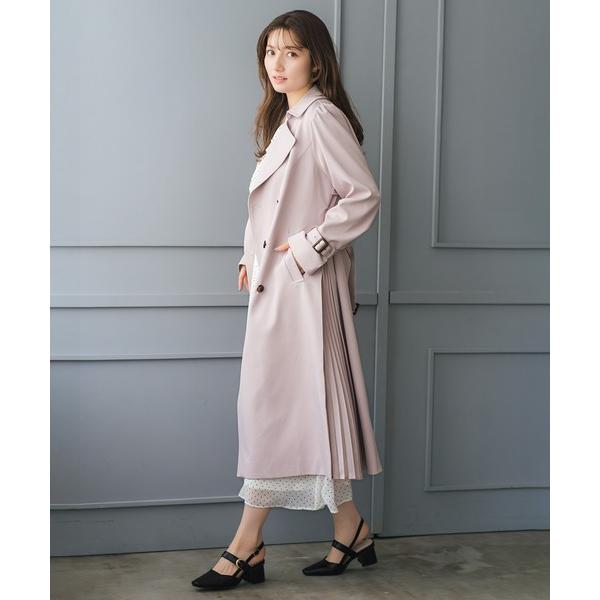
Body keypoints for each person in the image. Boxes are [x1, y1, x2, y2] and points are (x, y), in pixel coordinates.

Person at [192, 9, 383, 590]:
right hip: (278, 286)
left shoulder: (320, 117)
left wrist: (305, 248)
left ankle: (245, 544)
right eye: (271, 51)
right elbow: (270, 203)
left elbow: (362, 196)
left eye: (291, 52)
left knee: (277, 410)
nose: (277, 63)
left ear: (316, 61)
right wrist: (250, 255)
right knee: (296, 410)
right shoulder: (288, 118)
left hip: (305, 288)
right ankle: (351, 529)